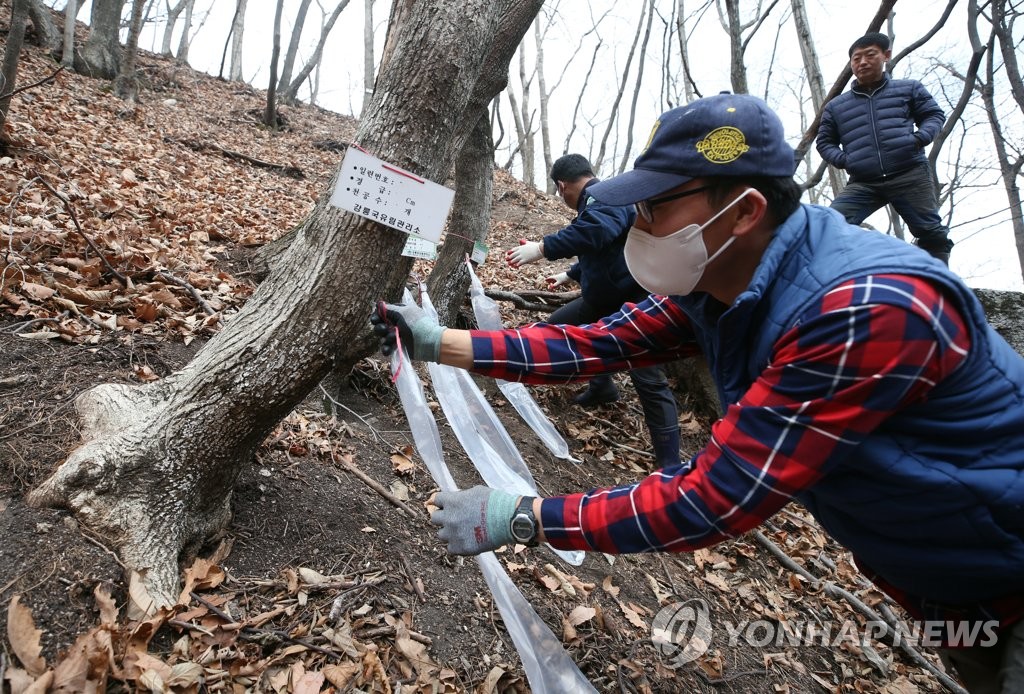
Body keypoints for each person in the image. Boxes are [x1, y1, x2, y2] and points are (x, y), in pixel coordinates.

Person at [373, 92, 1024, 692]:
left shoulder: (860, 308)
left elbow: (714, 497)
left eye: (656, 207)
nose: (639, 223)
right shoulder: (721, 279)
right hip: (949, 586)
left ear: (743, 211)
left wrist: (523, 518)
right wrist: (440, 343)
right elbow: (594, 344)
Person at [504, 153, 681, 465]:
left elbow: (596, 231)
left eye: (560, 192)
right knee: (558, 326)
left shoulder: (605, 197)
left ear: (562, 186)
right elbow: (606, 248)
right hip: (604, 297)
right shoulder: (601, 199)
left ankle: (670, 463)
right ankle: (602, 388)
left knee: (648, 377)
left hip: (633, 302)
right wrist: (569, 274)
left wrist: (543, 248)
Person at [816, 32, 954, 265]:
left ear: (886, 55)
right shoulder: (837, 106)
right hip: (864, 181)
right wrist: (846, 160)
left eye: (870, 55)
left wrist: (919, 139)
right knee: (829, 226)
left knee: (931, 232)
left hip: (909, 172)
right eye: (856, 59)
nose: (862, 62)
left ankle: (939, 284)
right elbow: (824, 142)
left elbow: (933, 115)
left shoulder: (908, 88)